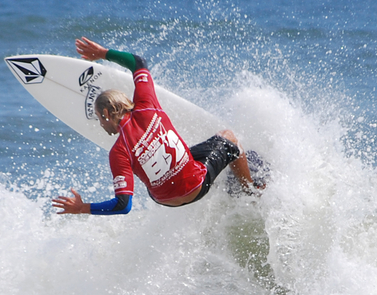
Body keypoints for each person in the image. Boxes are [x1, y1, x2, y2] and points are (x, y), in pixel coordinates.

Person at [52, 37, 260, 215]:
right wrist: (102, 52)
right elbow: (138, 62)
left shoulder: (118, 152)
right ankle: (250, 190)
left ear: (106, 114)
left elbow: (123, 205)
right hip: (197, 186)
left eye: (98, 117)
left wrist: (82, 208)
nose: (99, 123)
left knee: (175, 156)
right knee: (228, 137)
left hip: (163, 199)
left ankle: (206, 175)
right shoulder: (147, 105)